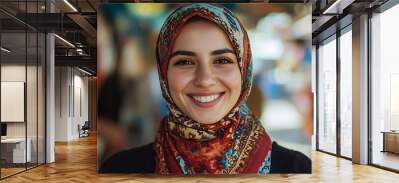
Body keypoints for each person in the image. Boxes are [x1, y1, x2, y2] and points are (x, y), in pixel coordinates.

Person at [100, 3, 311, 174]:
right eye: (185, 62)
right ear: (164, 73)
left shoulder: (296, 169)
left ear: (244, 70)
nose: (204, 79)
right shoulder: (120, 170)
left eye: (222, 60)